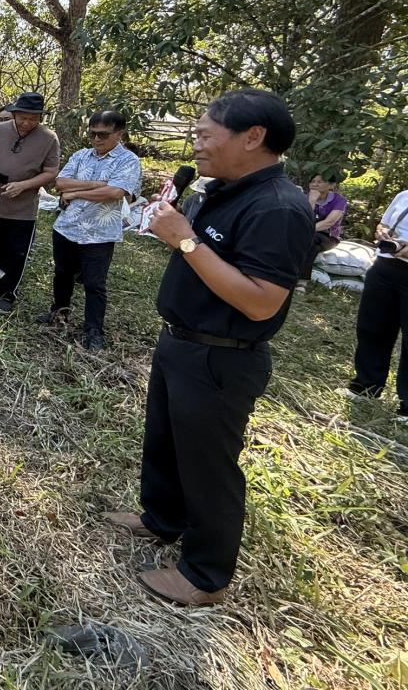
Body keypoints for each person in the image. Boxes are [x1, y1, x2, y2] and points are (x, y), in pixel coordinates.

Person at [105, 88, 312, 606]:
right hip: (180, 340)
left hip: (222, 355)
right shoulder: (217, 190)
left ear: (253, 137)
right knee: (167, 441)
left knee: (208, 465)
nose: (195, 144)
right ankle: (162, 518)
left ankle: (204, 574)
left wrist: (186, 241)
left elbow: (262, 302)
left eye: (204, 134)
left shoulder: (278, 207)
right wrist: (177, 233)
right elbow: (201, 256)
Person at [40, 110, 142, 350]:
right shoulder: (81, 155)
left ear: (119, 134)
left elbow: (115, 193)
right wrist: (98, 185)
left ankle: (93, 330)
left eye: (103, 135)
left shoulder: (128, 161)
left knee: (95, 284)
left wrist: (76, 193)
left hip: (99, 233)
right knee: (63, 274)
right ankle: (59, 313)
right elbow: (61, 182)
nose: (96, 139)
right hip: (68, 227)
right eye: (92, 134)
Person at [0, 93, 60, 313]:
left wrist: (24, 185)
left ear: (40, 117)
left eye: (33, 118)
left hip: (23, 210)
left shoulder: (49, 138)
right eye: (22, 117)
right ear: (14, 114)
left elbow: (51, 172)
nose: (27, 122)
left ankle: (6, 293)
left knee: (16, 254)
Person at [343, 188, 408, 423]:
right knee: (372, 327)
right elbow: (384, 223)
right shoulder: (404, 196)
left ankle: (407, 406)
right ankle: (367, 385)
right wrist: (385, 235)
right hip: (384, 268)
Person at [300, 173, 347, 284]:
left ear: (331, 185)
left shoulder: (339, 201)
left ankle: (301, 281)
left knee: (310, 241)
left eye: (320, 182)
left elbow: (328, 223)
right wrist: (311, 201)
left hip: (328, 236)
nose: (315, 184)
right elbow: (302, 218)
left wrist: (305, 230)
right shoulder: (304, 197)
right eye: (313, 181)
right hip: (306, 232)